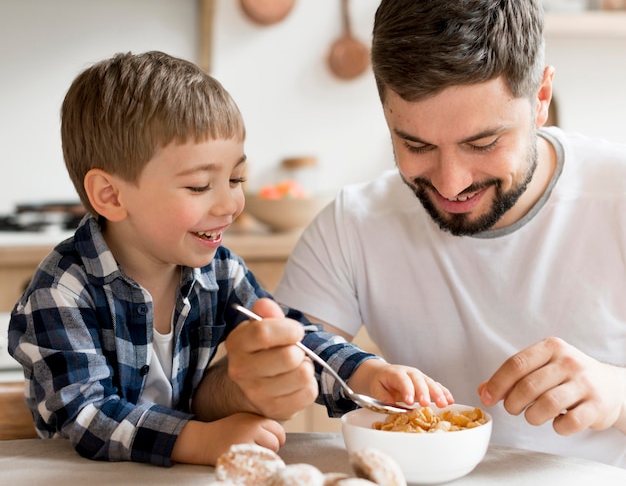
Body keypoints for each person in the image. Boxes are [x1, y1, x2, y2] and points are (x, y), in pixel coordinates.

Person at [8, 51, 452, 467]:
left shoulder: (219, 270)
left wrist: (367, 376)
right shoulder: (59, 292)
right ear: (111, 195)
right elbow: (88, 417)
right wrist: (202, 439)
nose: (229, 204)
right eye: (200, 186)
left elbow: (289, 339)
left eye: (237, 177)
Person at [274, 0, 626, 468]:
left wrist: (618, 393)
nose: (450, 183)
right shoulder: (353, 223)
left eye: (482, 143)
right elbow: (242, 382)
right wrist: (257, 376)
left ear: (541, 97)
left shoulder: (616, 197)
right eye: (416, 146)